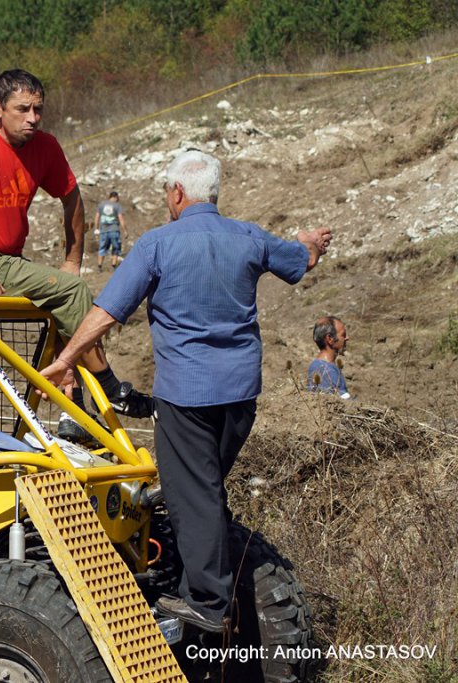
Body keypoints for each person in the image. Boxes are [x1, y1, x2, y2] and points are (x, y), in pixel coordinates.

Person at [40, 150, 332, 632]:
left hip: (187, 400)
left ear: (177, 193)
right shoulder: (249, 236)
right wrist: (310, 244)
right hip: (241, 398)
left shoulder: (157, 244)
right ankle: (209, 580)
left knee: (191, 496)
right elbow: (302, 260)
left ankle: (208, 603)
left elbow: (106, 312)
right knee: (206, 490)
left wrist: (67, 358)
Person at [0, 69, 151, 440]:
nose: (32, 118)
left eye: (38, 109)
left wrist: (73, 260)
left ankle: (72, 410)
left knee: (65, 300)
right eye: (22, 109)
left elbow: (72, 197)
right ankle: (111, 388)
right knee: (73, 292)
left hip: (7, 261)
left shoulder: (45, 146)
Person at [307, 316, 351, 398]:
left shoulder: (323, 366)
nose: (347, 338)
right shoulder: (325, 370)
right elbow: (345, 402)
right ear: (330, 338)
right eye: (343, 335)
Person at [94, 190, 126, 269]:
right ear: (115, 197)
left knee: (102, 248)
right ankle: (114, 266)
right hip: (114, 230)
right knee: (116, 248)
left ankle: (99, 266)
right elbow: (121, 219)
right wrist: (125, 231)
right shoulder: (117, 206)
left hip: (103, 230)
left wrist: (96, 228)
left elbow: (97, 217)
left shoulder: (102, 204)